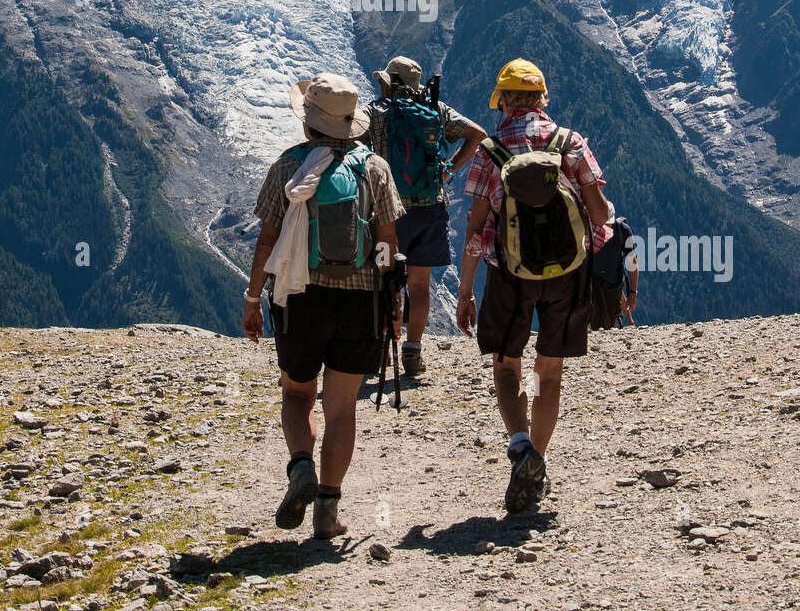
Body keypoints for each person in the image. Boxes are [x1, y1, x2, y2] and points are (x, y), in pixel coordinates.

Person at [243, 72, 404, 539]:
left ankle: (300, 469)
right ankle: (328, 512)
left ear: (309, 122)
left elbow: (266, 241)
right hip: (360, 302)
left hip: (300, 297)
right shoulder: (374, 168)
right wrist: (391, 303)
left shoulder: (288, 166)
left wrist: (254, 298)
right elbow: (388, 243)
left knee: (296, 393)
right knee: (341, 409)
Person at [456, 59, 612, 512]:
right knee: (549, 373)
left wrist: (467, 292)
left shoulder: (489, 150)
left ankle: (521, 448)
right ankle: (539, 460)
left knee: (507, 368)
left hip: (510, 273)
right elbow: (599, 217)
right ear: (542, 97)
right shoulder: (570, 142)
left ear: (503, 100)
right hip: (568, 273)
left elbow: (475, 228)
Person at [366, 55, 485, 377]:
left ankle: (381, 354)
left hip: (388, 212)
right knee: (420, 286)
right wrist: (447, 171)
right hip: (430, 208)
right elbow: (478, 135)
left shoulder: (374, 113)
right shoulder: (436, 109)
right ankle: (413, 354)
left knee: (385, 284)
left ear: (387, 82)